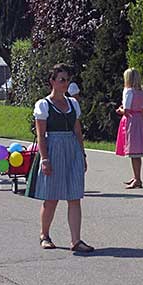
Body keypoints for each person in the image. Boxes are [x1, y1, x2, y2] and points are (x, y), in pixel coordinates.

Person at [32, 63, 94, 253]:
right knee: (52, 197)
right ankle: (45, 235)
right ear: (52, 81)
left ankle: (76, 240)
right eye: (61, 80)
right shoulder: (44, 105)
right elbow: (41, 135)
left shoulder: (72, 104)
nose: (65, 83)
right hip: (54, 148)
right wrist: (45, 159)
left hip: (72, 149)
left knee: (75, 196)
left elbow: (77, 130)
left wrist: (82, 154)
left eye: (67, 80)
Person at [115, 68, 143, 189]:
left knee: (134, 152)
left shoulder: (128, 91)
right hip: (140, 120)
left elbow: (126, 110)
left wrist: (119, 110)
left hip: (131, 121)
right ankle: (136, 176)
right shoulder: (142, 92)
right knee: (137, 152)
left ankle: (137, 179)